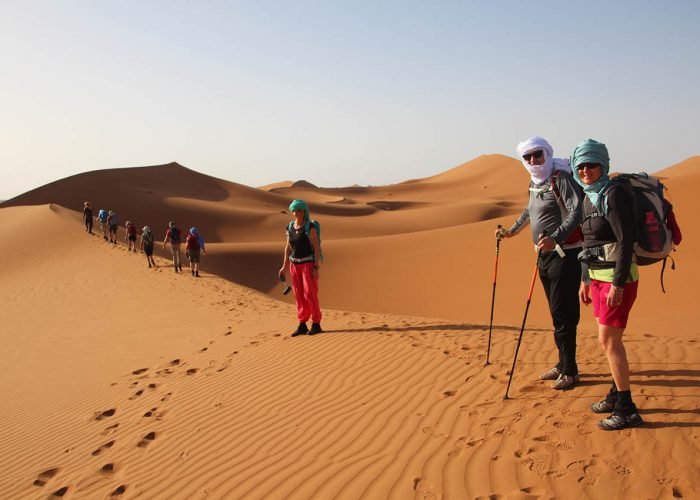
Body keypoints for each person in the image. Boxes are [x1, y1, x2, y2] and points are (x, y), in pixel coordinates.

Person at [498, 137, 584, 390]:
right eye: (528, 157)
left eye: (538, 155)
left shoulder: (560, 178)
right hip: (544, 257)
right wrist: (511, 231)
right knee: (556, 314)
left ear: (547, 154)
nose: (533, 160)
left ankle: (570, 372)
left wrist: (555, 237)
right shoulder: (535, 183)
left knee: (564, 314)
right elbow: (529, 211)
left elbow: (576, 212)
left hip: (565, 255)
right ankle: (562, 364)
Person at [571, 139, 643, 431]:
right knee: (606, 341)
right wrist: (585, 279)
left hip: (617, 279)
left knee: (610, 342)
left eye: (592, 164)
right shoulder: (589, 196)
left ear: (604, 165)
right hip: (598, 279)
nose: (586, 170)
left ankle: (627, 408)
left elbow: (625, 241)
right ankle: (616, 394)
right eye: (581, 166)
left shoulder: (613, 195)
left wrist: (618, 284)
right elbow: (590, 242)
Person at [279, 199, 323, 336]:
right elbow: (288, 248)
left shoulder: (310, 228)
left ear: (304, 211)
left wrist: (315, 268)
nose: (297, 213)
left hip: (307, 265)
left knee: (310, 294)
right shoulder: (290, 227)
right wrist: (284, 267)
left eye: (300, 210)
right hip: (294, 265)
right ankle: (302, 324)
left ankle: (316, 323)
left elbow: (316, 248)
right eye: (295, 210)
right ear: (292, 212)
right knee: (298, 295)